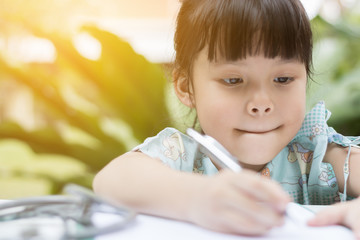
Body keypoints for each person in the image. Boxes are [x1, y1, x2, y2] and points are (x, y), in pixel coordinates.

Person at [93, 0, 360, 237]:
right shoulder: (181, 156)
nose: (261, 104)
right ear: (187, 88)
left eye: (283, 79)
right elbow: (110, 180)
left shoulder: (318, 155)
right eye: (233, 80)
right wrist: (198, 198)